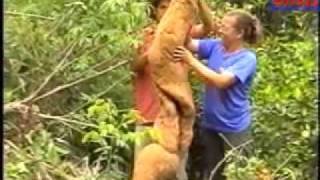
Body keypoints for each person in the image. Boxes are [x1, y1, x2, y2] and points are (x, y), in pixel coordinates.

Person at [131, 0, 218, 179]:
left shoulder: (182, 33)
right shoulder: (145, 35)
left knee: (176, 171)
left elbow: (209, 27)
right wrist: (156, 50)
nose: (167, 11)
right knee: (144, 170)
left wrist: (199, 4)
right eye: (162, 7)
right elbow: (135, 67)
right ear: (154, 11)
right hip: (147, 114)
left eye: (170, 6)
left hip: (176, 118)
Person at [172, 9, 263, 180]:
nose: (220, 29)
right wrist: (182, 20)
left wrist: (191, 61)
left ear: (239, 33)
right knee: (213, 172)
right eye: (220, 24)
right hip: (210, 125)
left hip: (234, 128)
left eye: (225, 27)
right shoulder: (216, 46)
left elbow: (221, 82)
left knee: (238, 173)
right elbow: (189, 44)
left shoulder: (246, 58)